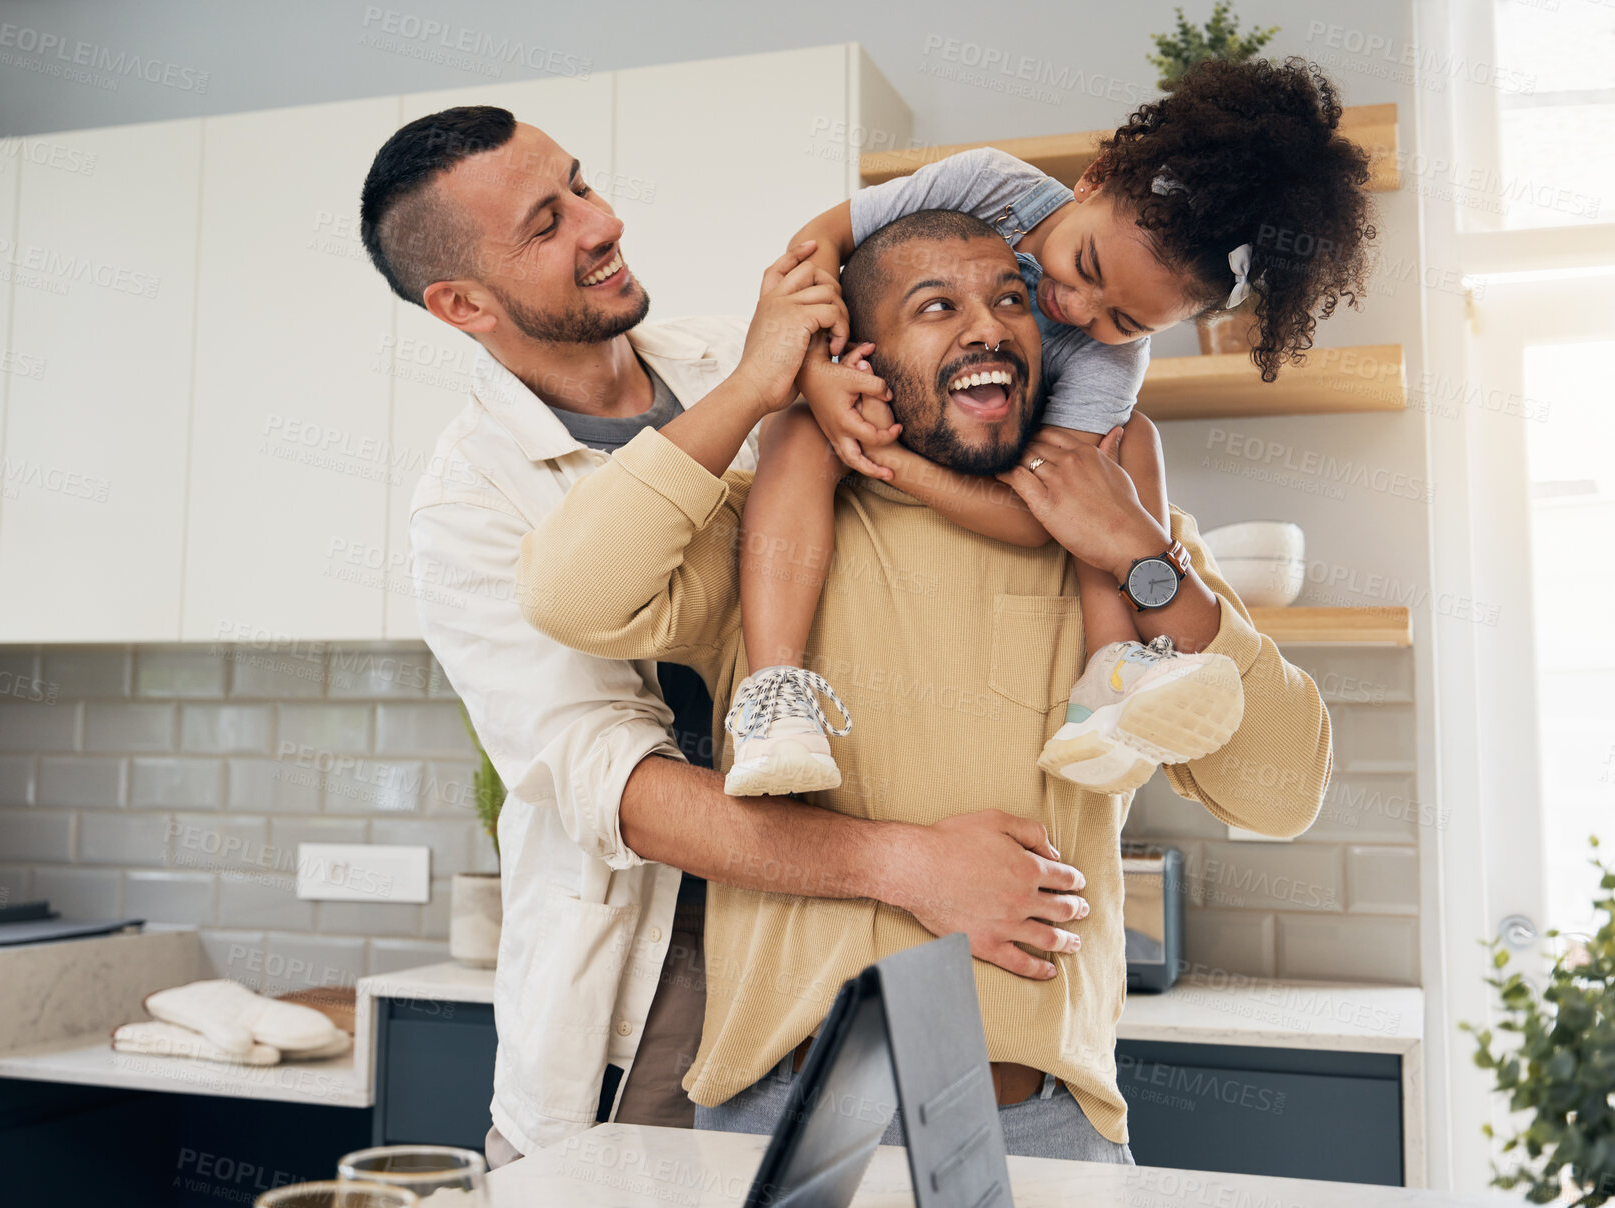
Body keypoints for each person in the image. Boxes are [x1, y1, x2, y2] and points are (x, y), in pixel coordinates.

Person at [359, 106, 1097, 1165]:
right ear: (462, 301)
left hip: (843, 944)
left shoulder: (750, 360)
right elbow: (627, 791)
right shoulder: (469, 505)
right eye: (544, 223)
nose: (601, 222)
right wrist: (913, 863)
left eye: (581, 184)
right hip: (656, 982)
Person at [518, 210, 1333, 1158]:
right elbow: (569, 595)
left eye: (1012, 300)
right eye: (936, 306)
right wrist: (756, 386)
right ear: (861, 355)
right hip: (772, 1120)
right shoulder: (773, 537)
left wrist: (1146, 557)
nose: (989, 327)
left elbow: (1282, 794)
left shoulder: (1121, 537)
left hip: (1034, 1132)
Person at [723, 57, 1374, 800]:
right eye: (1083, 264)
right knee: (798, 433)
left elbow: (1051, 515)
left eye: (1125, 319)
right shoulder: (988, 181)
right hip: (859, 397)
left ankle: (1113, 667)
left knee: (1125, 447)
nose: (1078, 309)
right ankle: (775, 697)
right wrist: (817, 379)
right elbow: (813, 250)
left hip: (991, 468)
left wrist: (891, 462)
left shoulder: (1110, 364)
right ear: (1092, 180)